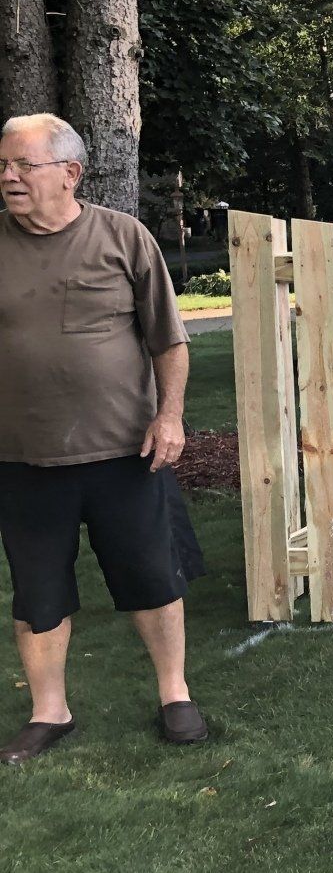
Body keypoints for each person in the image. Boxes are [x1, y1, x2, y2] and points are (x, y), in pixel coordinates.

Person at [0, 113, 208, 764]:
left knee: (151, 575)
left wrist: (169, 416)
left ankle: (175, 694)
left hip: (125, 450)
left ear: (70, 173)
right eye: (4, 165)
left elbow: (168, 342)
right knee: (37, 591)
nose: (8, 176)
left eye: (22, 165)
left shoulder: (123, 237)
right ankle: (49, 712)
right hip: (22, 456)